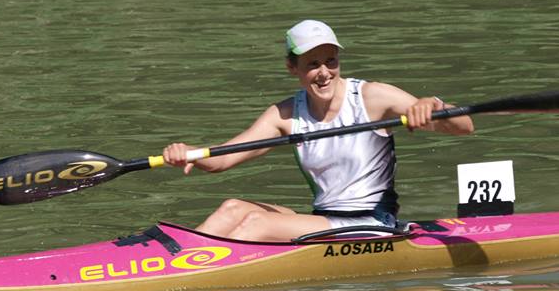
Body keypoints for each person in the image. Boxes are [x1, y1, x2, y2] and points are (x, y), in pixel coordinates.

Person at [163, 20, 474, 241]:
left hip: (372, 224)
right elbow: (222, 159)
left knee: (257, 222)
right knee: (232, 208)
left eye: (330, 61)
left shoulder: (372, 98)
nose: (324, 73)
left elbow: (464, 127)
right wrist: (190, 153)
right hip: (325, 221)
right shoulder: (286, 114)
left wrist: (432, 104)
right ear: (292, 68)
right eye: (312, 64)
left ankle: (199, 279)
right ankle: (178, 263)